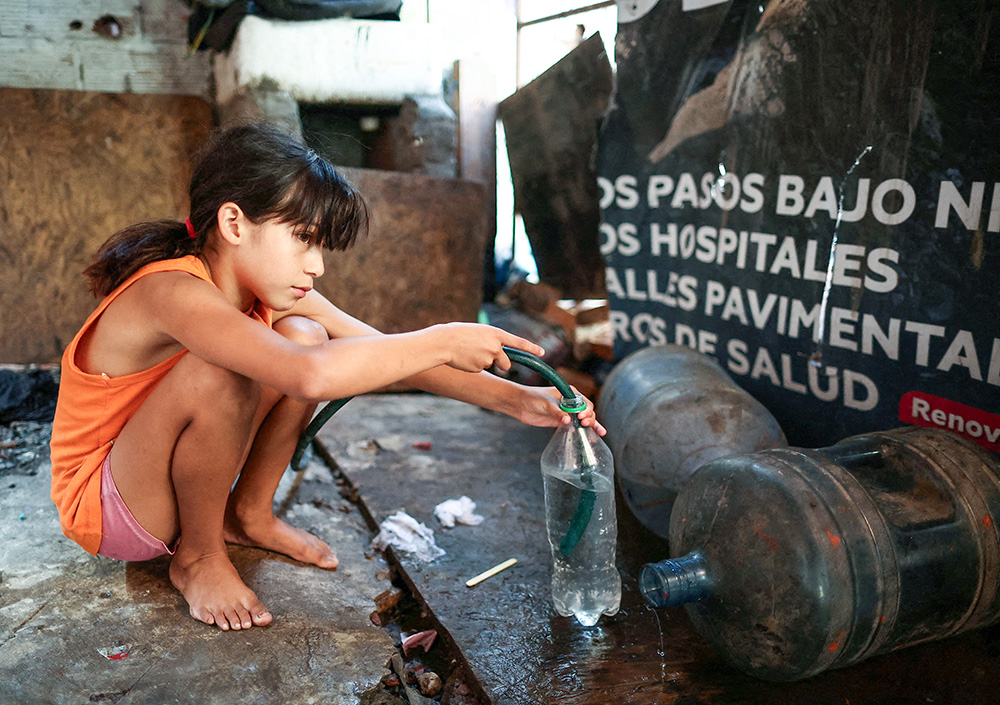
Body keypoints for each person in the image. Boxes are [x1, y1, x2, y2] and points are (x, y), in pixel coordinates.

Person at [49, 123, 605, 633]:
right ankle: (198, 557)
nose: (316, 265)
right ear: (234, 222)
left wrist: (518, 401)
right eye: (304, 239)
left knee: (309, 336)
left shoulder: (268, 291)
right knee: (230, 370)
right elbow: (310, 378)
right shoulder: (171, 291)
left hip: (160, 481)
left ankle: (247, 514)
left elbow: (380, 351)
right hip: (110, 504)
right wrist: (441, 336)